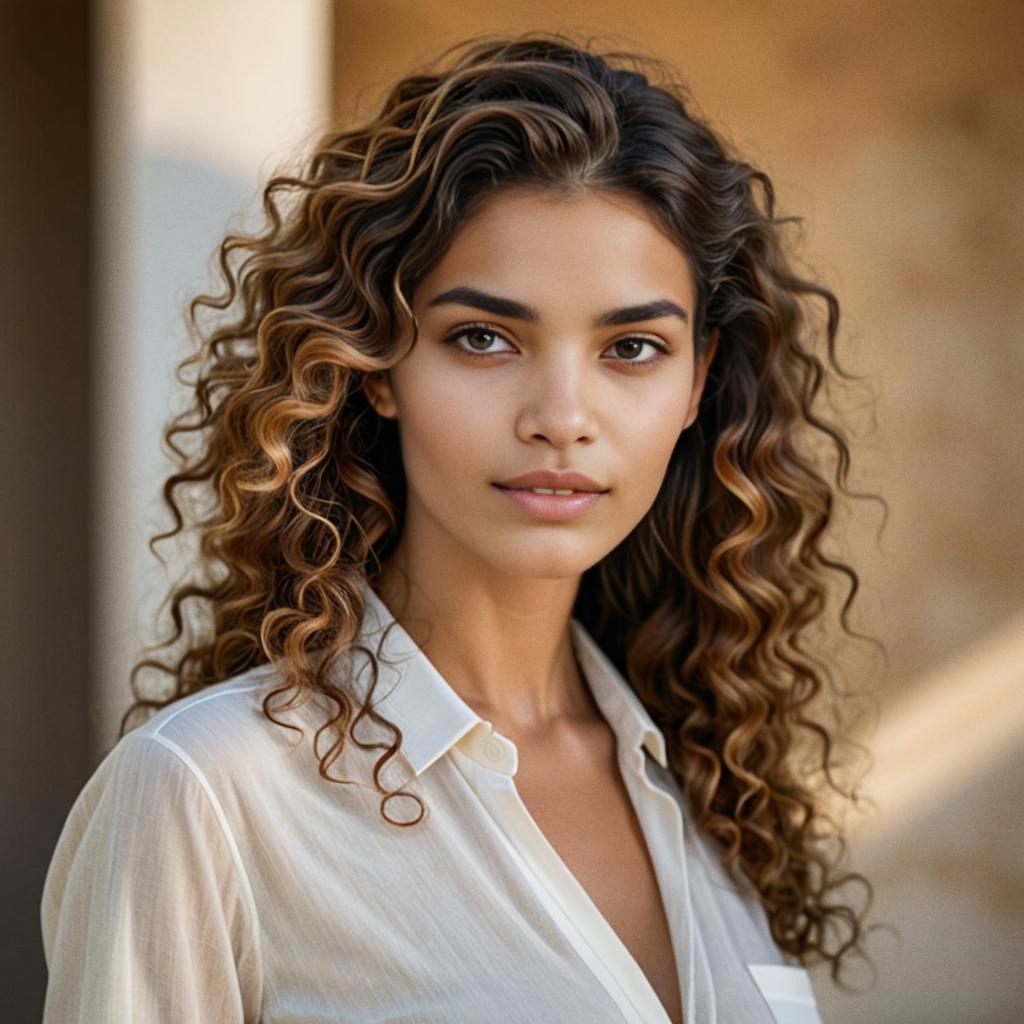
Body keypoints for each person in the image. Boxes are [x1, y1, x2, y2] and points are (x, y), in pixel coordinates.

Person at [40, 29, 879, 1023]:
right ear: (377, 363)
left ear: (699, 380)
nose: (561, 415)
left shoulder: (706, 788)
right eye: (483, 337)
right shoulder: (208, 795)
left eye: (633, 346)